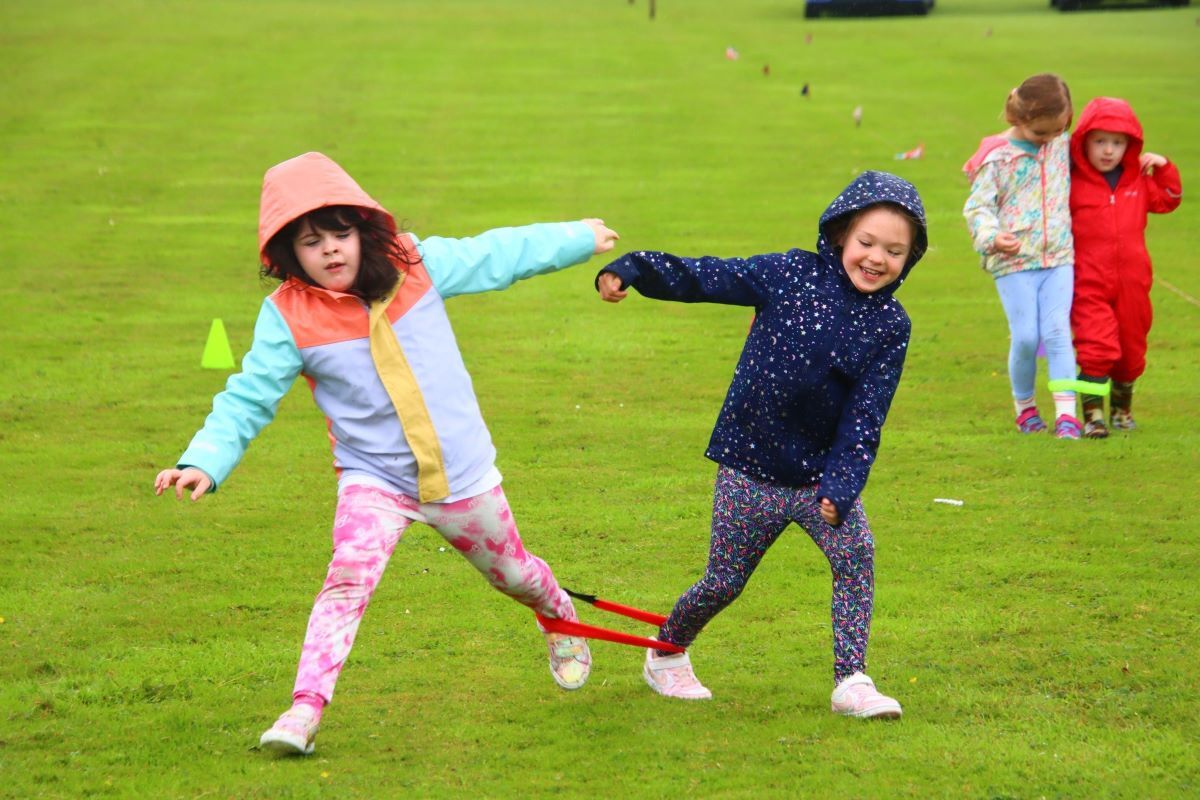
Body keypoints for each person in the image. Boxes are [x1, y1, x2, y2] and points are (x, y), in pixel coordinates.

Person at [154, 152, 619, 755]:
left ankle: (556, 613)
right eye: (310, 241)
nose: (329, 250)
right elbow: (246, 398)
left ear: (363, 232)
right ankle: (303, 711)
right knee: (346, 580)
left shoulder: (414, 265)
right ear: (286, 254)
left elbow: (495, 255)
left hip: (462, 478)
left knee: (516, 576)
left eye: (340, 234)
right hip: (373, 481)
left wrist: (576, 238)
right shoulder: (287, 317)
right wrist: (204, 461)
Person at [596, 170, 927, 719]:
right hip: (749, 468)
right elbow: (709, 277)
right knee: (723, 582)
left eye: (894, 251)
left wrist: (842, 486)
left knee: (856, 556)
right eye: (867, 243)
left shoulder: (891, 324)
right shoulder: (790, 272)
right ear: (842, 234)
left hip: (820, 480)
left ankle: (852, 681)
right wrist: (633, 268)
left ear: (910, 258)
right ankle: (666, 653)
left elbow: (866, 416)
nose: (876, 259)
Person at [963, 73, 1082, 439]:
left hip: (1058, 256)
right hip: (1013, 262)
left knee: (1059, 331)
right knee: (1027, 336)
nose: (1049, 140)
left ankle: (1067, 416)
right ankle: (1025, 408)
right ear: (1020, 119)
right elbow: (977, 207)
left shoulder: (1061, 144)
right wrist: (991, 236)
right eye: (1041, 134)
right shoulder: (997, 158)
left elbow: (1100, 148)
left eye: (1057, 131)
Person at [1068, 97, 1183, 438]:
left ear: (1130, 146)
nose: (1108, 151)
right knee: (1095, 345)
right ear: (1083, 142)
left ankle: (1122, 408)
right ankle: (1093, 415)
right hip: (1089, 282)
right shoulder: (1072, 183)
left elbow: (1169, 199)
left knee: (1131, 351)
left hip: (1134, 283)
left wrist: (1163, 167)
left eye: (1117, 143)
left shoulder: (1139, 181)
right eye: (1100, 141)